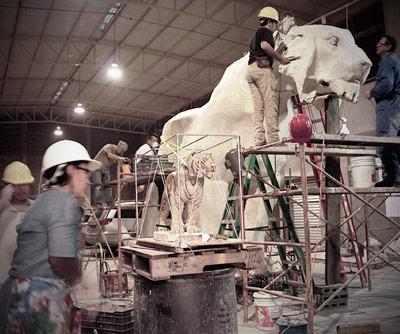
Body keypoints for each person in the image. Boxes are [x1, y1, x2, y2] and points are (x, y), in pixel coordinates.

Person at [0, 140, 102, 333]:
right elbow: (61, 258)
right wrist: (83, 285)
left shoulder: (42, 201)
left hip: (20, 296)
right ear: (71, 170)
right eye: (85, 171)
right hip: (39, 297)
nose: (88, 180)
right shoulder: (62, 201)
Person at [246, 6, 290, 147]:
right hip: (262, 69)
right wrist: (280, 58)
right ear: (270, 22)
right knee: (270, 104)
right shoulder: (266, 32)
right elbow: (265, 46)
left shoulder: (254, 35)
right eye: (275, 24)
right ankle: (272, 138)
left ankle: (259, 138)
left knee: (258, 107)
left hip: (251, 71)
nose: (275, 27)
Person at [365, 35, 400, 187]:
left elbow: (386, 84)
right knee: (395, 143)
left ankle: (391, 177)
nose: (377, 45)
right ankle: (395, 177)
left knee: (385, 141)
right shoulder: (395, 61)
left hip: (389, 106)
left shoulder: (387, 61)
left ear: (388, 47)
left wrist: (372, 92)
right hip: (396, 106)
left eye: (381, 43)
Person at [0, 161, 35, 284]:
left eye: (25, 184)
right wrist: (2, 200)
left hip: (28, 276)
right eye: (17, 185)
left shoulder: (35, 208)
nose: (22, 188)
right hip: (3, 277)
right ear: (8, 186)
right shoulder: (2, 208)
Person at [92, 140, 129, 206]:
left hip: (106, 169)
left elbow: (120, 163)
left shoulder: (117, 155)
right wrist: (120, 158)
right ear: (118, 147)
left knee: (108, 186)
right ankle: (98, 203)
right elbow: (109, 155)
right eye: (121, 150)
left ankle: (109, 202)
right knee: (98, 185)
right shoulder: (109, 146)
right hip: (97, 168)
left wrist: (125, 162)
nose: (121, 152)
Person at [134, 133, 164, 203]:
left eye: (156, 141)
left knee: (156, 183)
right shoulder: (146, 148)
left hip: (144, 167)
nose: (155, 143)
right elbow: (149, 160)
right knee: (144, 185)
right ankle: (139, 199)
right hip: (142, 168)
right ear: (148, 141)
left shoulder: (149, 149)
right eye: (154, 141)